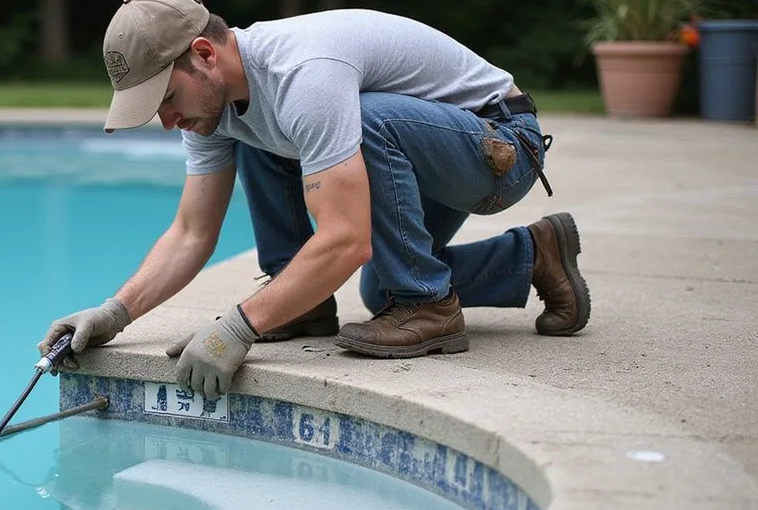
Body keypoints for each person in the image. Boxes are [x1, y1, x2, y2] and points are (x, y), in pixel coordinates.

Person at [38, 0, 591, 401]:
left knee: (365, 127)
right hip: (424, 152)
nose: (166, 121)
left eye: (165, 99)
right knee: (384, 289)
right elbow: (191, 231)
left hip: (498, 148)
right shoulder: (214, 101)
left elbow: (346, 240)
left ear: (203, 54)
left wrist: (240, 325)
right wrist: (116, 312)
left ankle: (431, 308)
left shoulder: (304, 75)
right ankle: (533, 255)